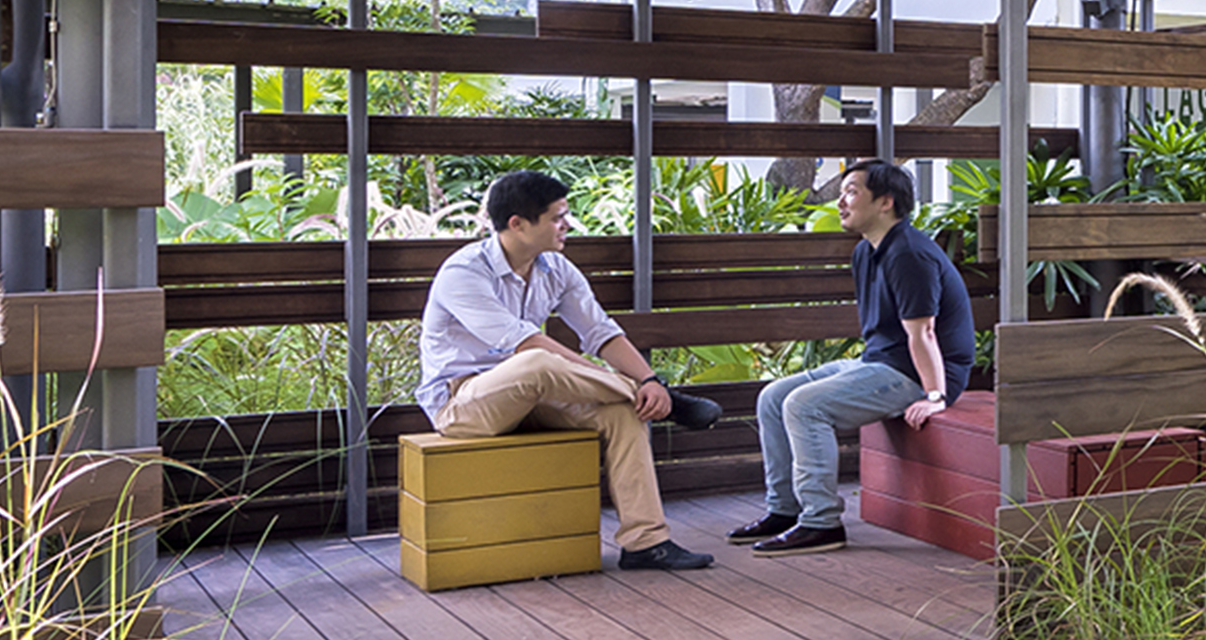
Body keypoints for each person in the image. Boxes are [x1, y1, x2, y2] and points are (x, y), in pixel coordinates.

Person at [417, 170, 721, 573]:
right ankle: (661, 399)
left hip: (532, 396)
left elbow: (600, 332)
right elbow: (525, 343)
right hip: (463, 404)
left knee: (621, 413)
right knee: (537, 360)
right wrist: (638, 386)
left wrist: (646, 380)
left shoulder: (556, 269)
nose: (568, 225)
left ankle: (646, 543)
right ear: (517, 224)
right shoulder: (465, 273)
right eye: (557, 217)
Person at [735, 157, 975, 556]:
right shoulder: (866, 252)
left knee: (804, 405)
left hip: (918, 374)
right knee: (773, 397)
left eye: (851, 191)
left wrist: (936, 397)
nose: (841, 201)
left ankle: (821, 522)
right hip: (881, 362)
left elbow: (925, 332)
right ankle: (785, 510)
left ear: (885, 202)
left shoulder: (909, 254)